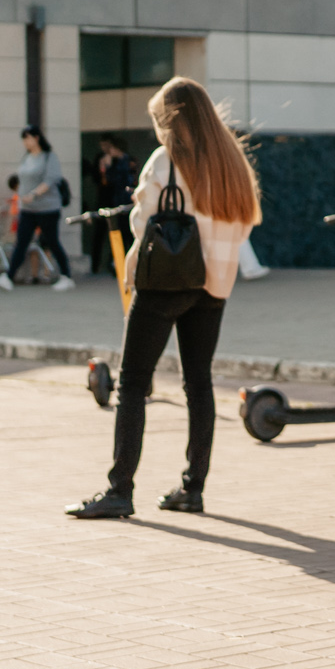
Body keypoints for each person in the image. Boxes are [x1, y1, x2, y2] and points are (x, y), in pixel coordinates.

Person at [67, 80, 262, 521]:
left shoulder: (166, 161)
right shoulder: (230, 160)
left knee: (133, 382)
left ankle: (119, 490)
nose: (157, 131)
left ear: (173, 119)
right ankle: (192, 488)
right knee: (199, 383)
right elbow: (247, 222)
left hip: (164, 284)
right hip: (213, 285)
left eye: (159, 121)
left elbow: (142, 222)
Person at [0, 128, 76, 291]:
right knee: (21, 243)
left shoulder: (49, 157)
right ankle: (8, 277)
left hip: (47, 208)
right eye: (23, 139)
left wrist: (34, 194)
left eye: (27, 138)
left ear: (37, 138)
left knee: (52, 241)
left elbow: (51, 179)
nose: (25, 142)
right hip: (28, 209)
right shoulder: (27, 158)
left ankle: (66, 276)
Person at [90, 136, 137, 274]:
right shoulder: (118, 162)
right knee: (119, 236)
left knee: (127, 235)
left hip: (125, 203)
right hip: (116, 203)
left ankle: (123, 265)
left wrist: (109, 167)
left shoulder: (126, 162)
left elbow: (118, 181)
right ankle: (115, 264)